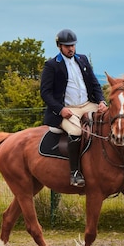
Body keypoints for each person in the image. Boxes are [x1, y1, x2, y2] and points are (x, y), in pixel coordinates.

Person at [40, 29, 107, 187]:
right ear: (59, 46)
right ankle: (75, 172)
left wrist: (102, 101)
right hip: (68, 109)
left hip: (87, 104)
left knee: (109, 119)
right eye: (67, 46)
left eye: (73, 45)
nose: (71, 48)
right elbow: (45, 93)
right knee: (77, 131)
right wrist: (60, 109)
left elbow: (95, 83)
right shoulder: (51, 65)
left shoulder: (83, 60)